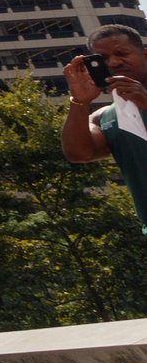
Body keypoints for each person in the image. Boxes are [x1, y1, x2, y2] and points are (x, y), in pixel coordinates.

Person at [63, 24, 147, 232]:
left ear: (145, 55)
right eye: (103, 58)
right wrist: (80, 102)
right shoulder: (105, 116)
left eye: (122, 53)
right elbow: (78, 154)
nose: (114, 62)